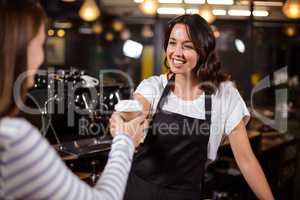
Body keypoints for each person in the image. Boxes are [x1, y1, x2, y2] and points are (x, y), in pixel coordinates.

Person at [116, 14, 274, 200]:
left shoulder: (224, 96)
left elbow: (246, 161)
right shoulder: (154, 86)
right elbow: (137, 109)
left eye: (188, 46)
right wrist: (125, 118)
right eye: (172, 43)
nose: (177, 52)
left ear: (203, 51)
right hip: (137, 191)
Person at [0, 1, 147, 200]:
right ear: (18, 49)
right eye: (40, 44)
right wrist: (125, 141)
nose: (42, 56)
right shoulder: (14, 138)